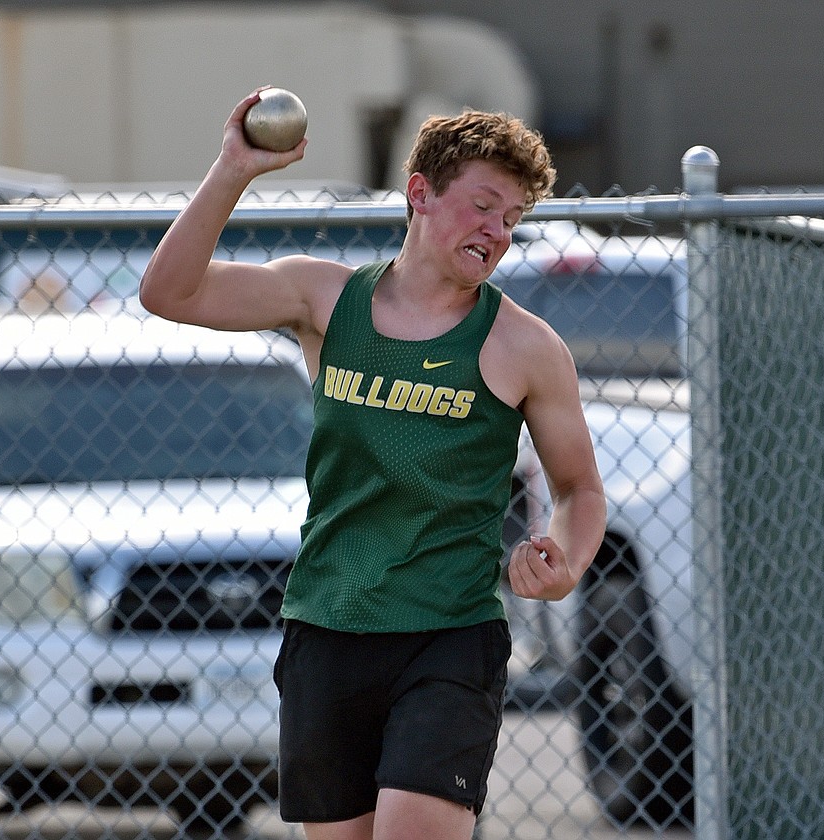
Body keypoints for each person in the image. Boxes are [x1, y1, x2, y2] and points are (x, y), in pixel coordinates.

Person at [139, 86, 606, 840]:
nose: (499, 231)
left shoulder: (524, 346)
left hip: (448, 634)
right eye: (484, 206)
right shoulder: (325, 298)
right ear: (420, 193)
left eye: (513, 219)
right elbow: (169, 292)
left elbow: (579, 489)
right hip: (328, 626)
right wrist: (233, 171)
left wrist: (567, 559)